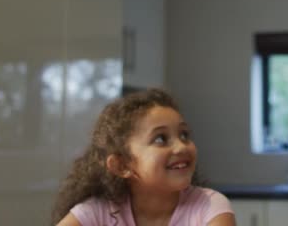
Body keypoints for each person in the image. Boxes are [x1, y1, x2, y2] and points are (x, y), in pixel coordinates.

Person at [51, 88, 236, 226]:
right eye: (161, 138)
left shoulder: (210, 206)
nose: (181, 146)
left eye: (184, 135)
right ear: (122, 165)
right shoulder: (96, 212)